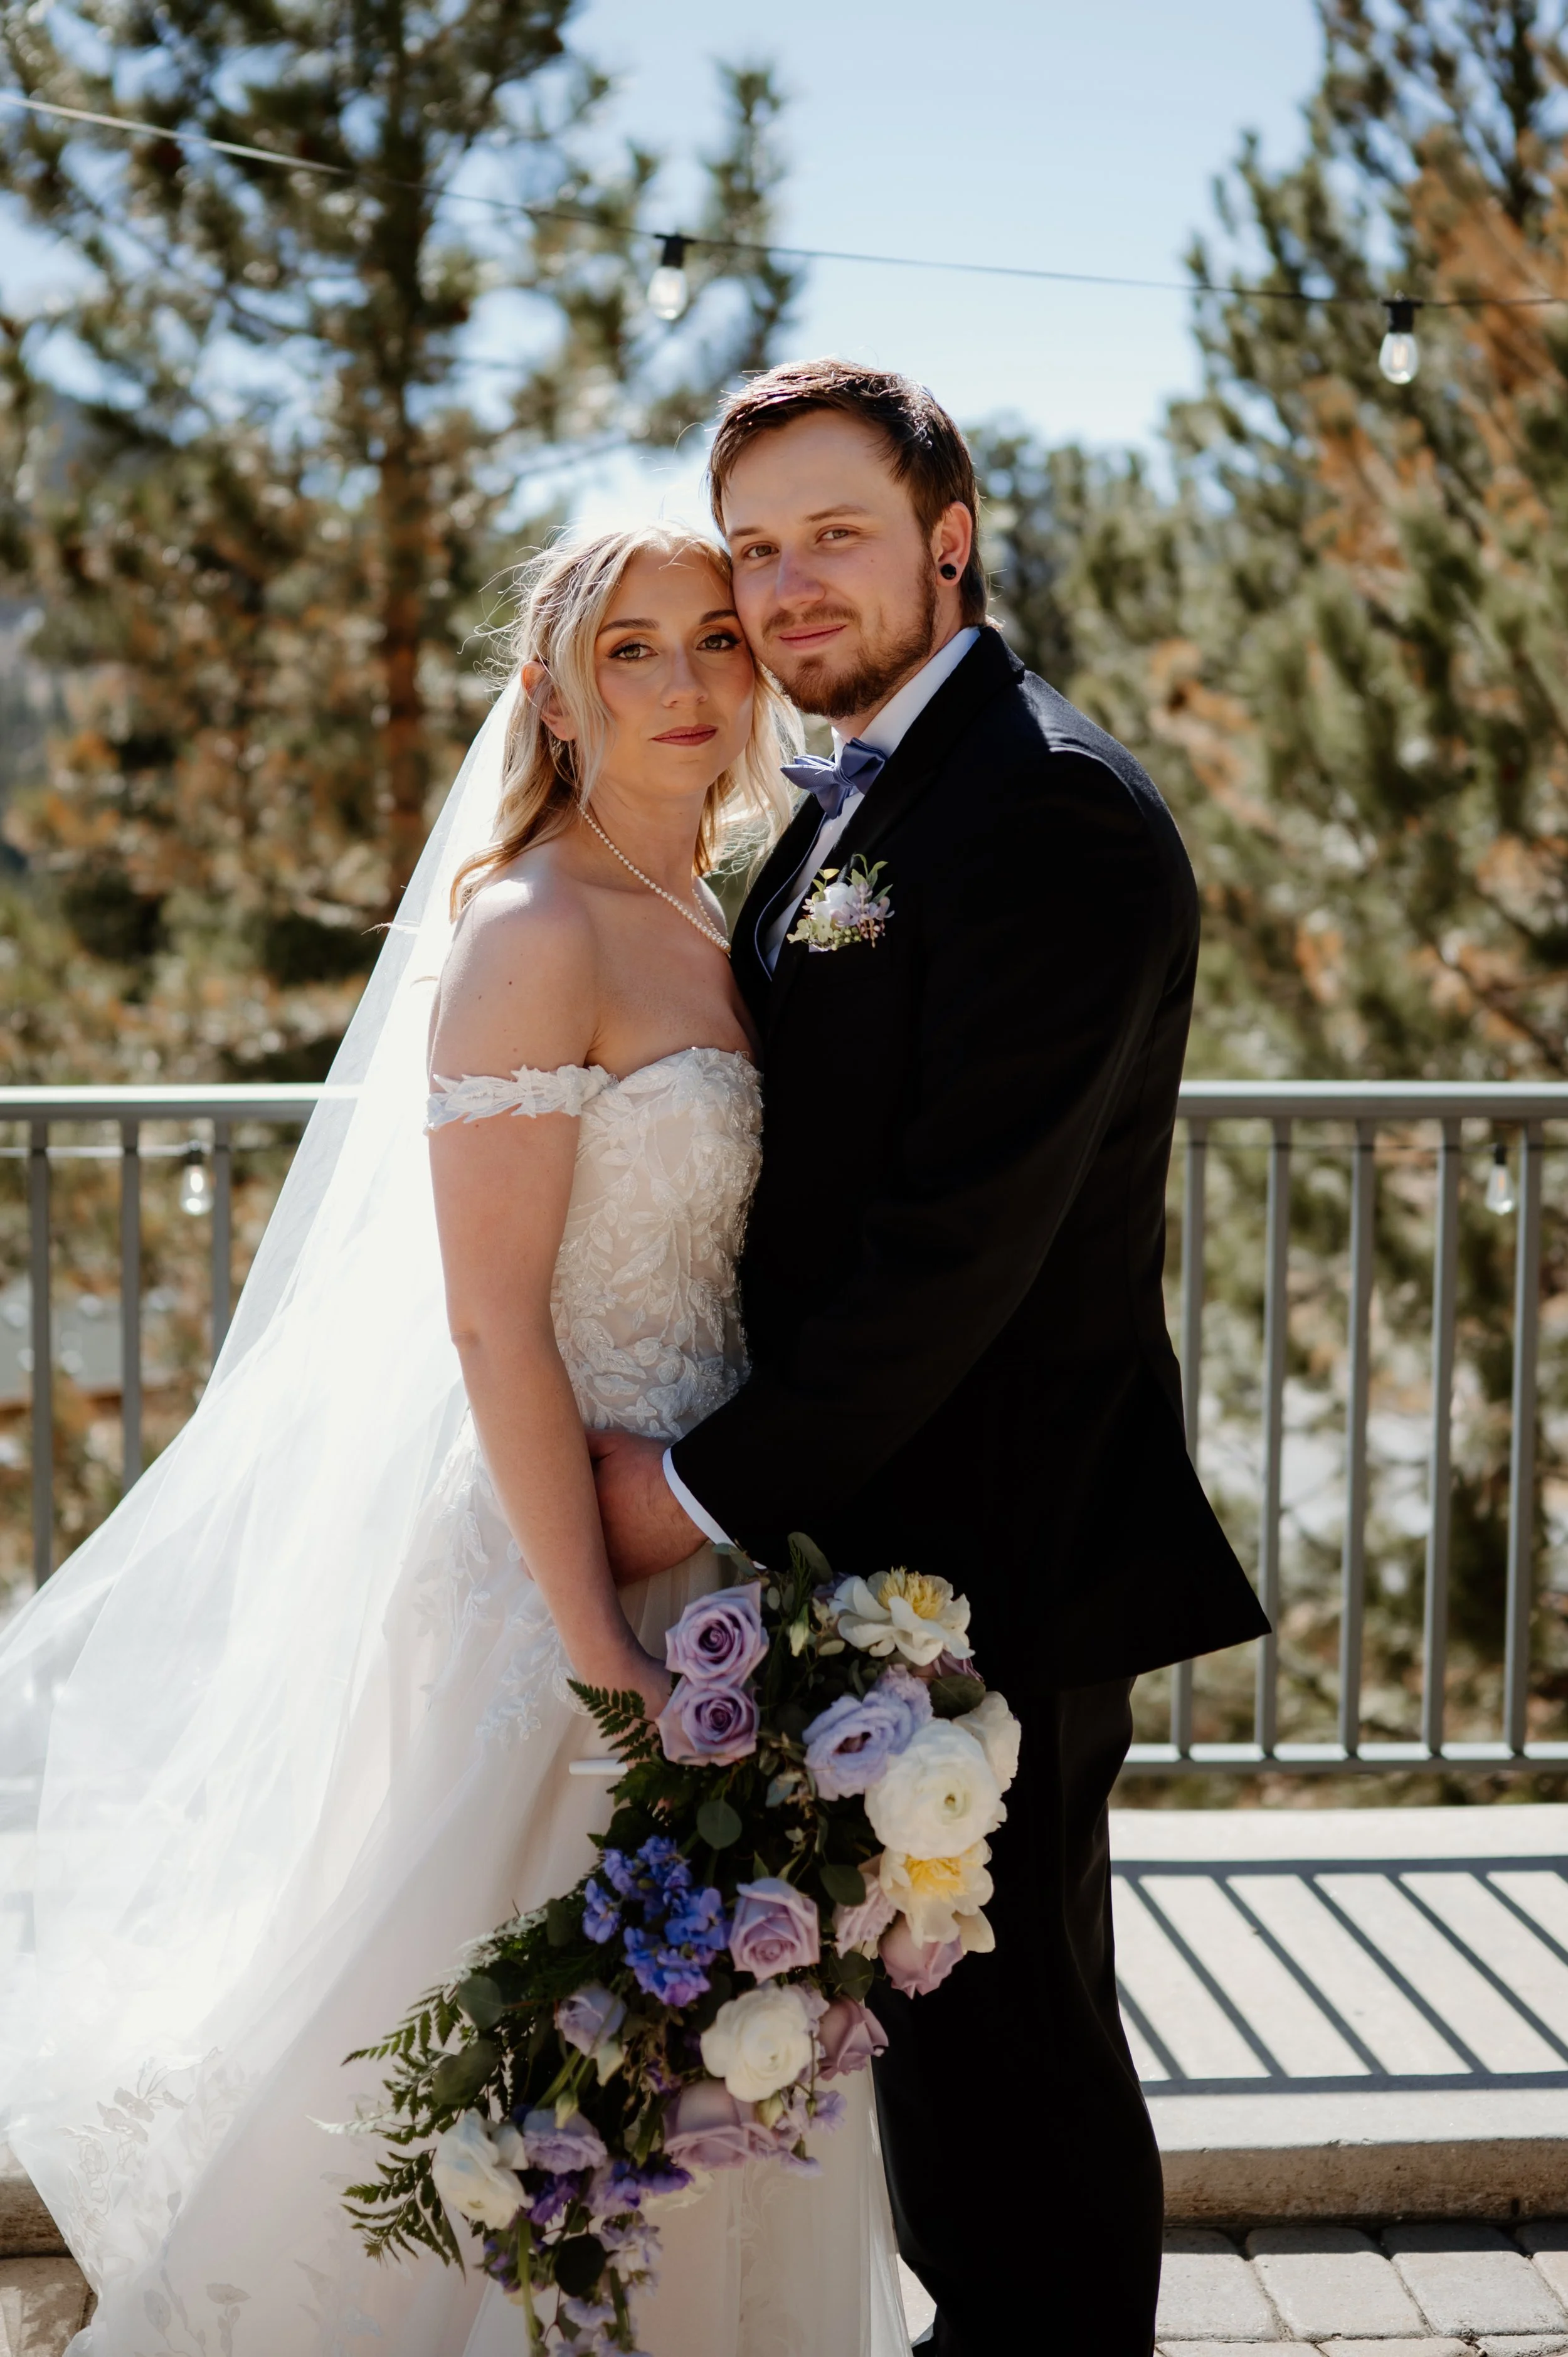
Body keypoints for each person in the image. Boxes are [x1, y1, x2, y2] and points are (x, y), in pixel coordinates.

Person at [0, 522, 908, 2355]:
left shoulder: (715, 913)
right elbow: (492, 1316)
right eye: (628, 649)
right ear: (553, 697)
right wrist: (587, 1645)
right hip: (548, 1561)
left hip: (715, 1541)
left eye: (711, 642)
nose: (678, 682)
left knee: (705, 2078)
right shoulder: (530, 928)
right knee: (507, 2073)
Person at [587, 361, 1271, 2356]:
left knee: (1021, 2073)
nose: (786, 586)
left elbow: (951, 1248)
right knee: (950, 2072)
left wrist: (702, 1482)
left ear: (946, 539)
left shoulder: (1044, 807)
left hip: (997, 1546)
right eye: (757, 548)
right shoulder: (866, 792)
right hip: (878, 1543)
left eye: (836, 535)